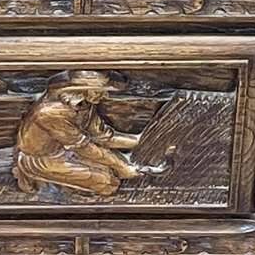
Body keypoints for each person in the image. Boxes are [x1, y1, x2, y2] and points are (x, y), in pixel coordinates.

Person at [13, 69, 172, 197]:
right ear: (81, 90)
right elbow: (83, 146)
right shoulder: (50, 113)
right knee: (108, 183)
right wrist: (123, 166)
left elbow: (104, 137)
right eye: (100, 90)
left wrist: (143, 141)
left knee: (113, 174)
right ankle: (55, 191)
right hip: (42, 158)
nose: (105, 95)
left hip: (67, 152)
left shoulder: (85, 105)